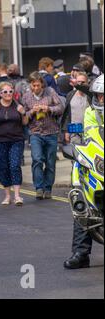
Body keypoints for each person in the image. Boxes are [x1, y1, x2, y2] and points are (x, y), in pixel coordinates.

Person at [64, 74, 104, 269]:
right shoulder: (90, 112)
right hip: (98, 160)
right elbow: (91, 137)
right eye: (98, 95)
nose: (101, 99)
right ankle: (80, 253)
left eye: (104, 95)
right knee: (82, 202)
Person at [0, 82, 29, 206]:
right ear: (0, 94)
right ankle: (7, 196)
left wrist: (23, 113)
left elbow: (25, 123)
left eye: (10, 91)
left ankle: (17, 196)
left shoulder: (18, 105)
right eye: (5, 92)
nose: (8, 94)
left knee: (14, 165)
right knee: (2, 167)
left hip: (16, 140)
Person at [22, 72, 64, 200]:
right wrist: (31, 111)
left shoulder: (50, 92)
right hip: (35, 133)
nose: (35, 88)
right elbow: (23, 117)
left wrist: (49, 109)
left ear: (42, 84)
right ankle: (39, 188)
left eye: (38, 85)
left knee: (50, 162)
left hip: (51, 132)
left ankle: (48, 188)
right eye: (33, 85)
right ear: (30, 84)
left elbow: (60, 107)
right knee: (37, 159)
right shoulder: (26, 97)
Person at [61, 72, 91, 145]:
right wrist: (66, 131)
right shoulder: (70, 94)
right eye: (78, 82)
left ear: (87, 82)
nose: (80, 84)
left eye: (83, 82)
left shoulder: (91, 95)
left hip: (89, 132)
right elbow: (67, 114)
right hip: (74, 132)